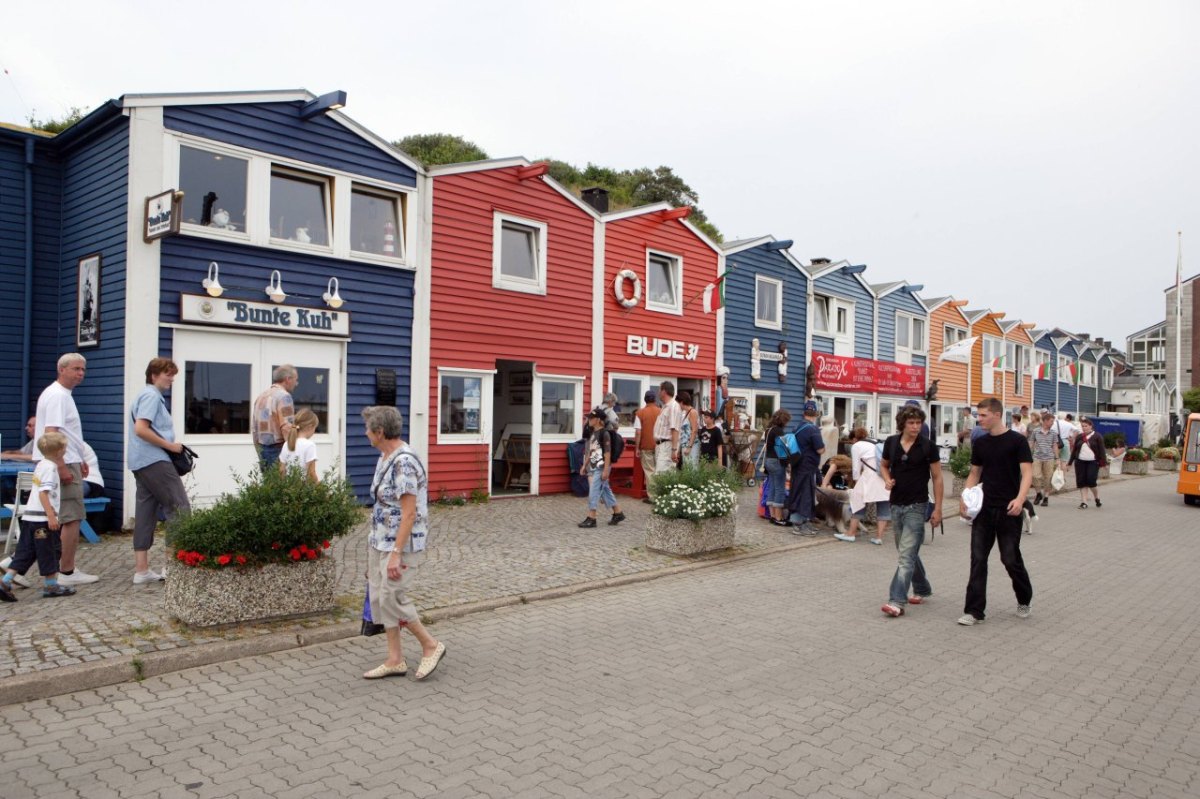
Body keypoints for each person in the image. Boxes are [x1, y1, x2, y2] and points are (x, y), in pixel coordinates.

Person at [361, 406, 446, 682]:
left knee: (392, 596)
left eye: (368, 429)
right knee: (379, 596)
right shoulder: (385, 456)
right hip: (380, 540)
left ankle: (430, 645)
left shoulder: (404, 462)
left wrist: (396, 553)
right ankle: (395, 659)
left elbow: (409, 513)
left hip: (402, 543)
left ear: (380, 432)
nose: (365, 434)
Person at [958, 397, 1034, 626]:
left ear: (997, 414)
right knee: (978, 559)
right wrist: (965, 497)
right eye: (978, 415)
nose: (978, 419)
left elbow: (1027, 473)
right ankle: (974, 611)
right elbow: (974, 473)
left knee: (1010, 559)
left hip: (1009, 510)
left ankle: (1024, 598)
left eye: (983, 415)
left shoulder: (1017, 441)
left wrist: (1020, 500)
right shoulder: (980, 442)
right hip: (983, 510)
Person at [34, 353, 97, 585]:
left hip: (67, 459)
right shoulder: (58, 396)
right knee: (72, 517)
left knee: (51, 516)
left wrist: (79, 458)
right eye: (76, 369)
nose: (80, 373)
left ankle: (15, 565)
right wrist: (62, 465)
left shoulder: (58, 394)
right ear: (61, 369)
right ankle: (67, 571)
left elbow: (67, 433)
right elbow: (51, 433)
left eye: (83, 369)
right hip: (62, 462)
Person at [128, 358, 191, 584]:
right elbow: (141, 429)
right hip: (154, 460)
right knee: (179, 507)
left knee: (146, 512)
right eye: (168, 374)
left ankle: (141, 570)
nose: (172, 378)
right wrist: (171, 446)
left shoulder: (145, 395)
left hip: (139, 461)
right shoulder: (151, 396)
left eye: (173, 374)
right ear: (153, 375)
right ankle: (172, 565)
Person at [879, 405, 943, 618]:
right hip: (896, 503)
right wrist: (887, 480)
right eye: (911, 423)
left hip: (918, 504)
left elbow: (937, 477)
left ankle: (897, 600)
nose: (916, 427)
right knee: (905, 550)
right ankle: (922, 587)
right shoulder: (892, 443)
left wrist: (939, 509)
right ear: (903, 424)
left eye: (919, 423)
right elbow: (884, 465)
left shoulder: (928, 446)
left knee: (906, 555)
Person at [0, 432, 76, 601]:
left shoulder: (41, 464)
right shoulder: (50, 468)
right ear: (58, 452)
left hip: (29, 517)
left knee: (27, 551)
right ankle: (51, 585)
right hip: (42, 519)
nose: (65, 450)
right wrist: (51, 516)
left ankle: (5, 581)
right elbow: (44, 494)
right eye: (64, 447)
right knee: (50, 550)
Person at [837, 427, 890, 545]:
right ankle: (879, 537)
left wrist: (855, 482)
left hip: (870, 476)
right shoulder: (875, 442)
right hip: (885, 476)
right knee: (883, 505)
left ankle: (851, 533)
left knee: (858, 502)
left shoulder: (856, 446)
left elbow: (856, 467)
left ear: (854, 438)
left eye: (851, 441)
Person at [578, 408, 625, 528]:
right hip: (593, 466)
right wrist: (585, 465)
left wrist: (605, 470)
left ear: (598, 420)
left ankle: (592, 518)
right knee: (605, 490)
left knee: (594, 491)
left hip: (602, 467)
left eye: (591, 418)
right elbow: (591, 451)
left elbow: (607, 453)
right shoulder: (593, 433)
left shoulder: (605, 434)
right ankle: (618, 512)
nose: (588, 420)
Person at [786, 401, 826, 535]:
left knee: (797, 492)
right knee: (805, 495)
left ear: (804, 413)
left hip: (797, 464)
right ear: (815, 414)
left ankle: (803, 521)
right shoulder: (813, 429)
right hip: (808, 467)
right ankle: (799, 525)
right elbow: (820, 449)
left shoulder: (797, 427)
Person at [252, 365, 298, 468]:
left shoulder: (261, 397)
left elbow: (255, 429)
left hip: (262, 450)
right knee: (283, 483)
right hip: (278, 450)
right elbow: (287, 427)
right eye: (296, 379)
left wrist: (259, 451)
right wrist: (294, 453)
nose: (296, 383)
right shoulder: (284, 397)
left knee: (269, 483)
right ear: (288, 379)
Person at [1068, 417, 1107, 509]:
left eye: (1086, 426)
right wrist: (1070, 463)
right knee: (1082, 482)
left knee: (1091, 481)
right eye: (1082, 426)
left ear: (1091, 426)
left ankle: (1096, 497)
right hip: (1080, 461)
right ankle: (1084, 502)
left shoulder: (1097, 436)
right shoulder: (1079, 437)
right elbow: (1074, 450)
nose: (1084, 428)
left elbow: (1102, 450)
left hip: (1093, 462)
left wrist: (1104, 463)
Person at [763, 409, 792, 527]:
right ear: (783, 420)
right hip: (777, 462)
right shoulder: (779, 431)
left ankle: (772, 516)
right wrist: (788, 464)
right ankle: (779, 517)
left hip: (769, 461)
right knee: (780, 488)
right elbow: (782, 451)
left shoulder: (768, 430)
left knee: (772, 488)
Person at [652, 381, 683, 481]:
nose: (658, 393)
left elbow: (675, 429)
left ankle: (665, 496)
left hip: (667, 445)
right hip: (661, 446)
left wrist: (674, 450)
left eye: (659, 390)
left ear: (664, 391)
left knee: (662, 477)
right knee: (664, 476)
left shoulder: (673, 406)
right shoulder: (665, 407)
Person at [279, 409, 320, 483]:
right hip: (303, 489)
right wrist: (321, 489)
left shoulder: (286, 444)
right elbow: (311, 473)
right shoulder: (310, 445)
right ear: (310, 427)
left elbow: (282, 470)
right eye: (315, 428)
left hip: (289, 487)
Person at [633, 391, 660, 501]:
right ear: (655, 399)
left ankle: (653, 497)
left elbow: (638, 432)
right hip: (659, 445)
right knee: (659, 470)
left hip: (646, 446)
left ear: (645, 399)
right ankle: (661, 494)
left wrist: (637, 447)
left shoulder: (640, 413)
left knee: (650, 471)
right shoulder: (661, 411)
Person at [1030, 412, 1060, 506]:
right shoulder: (1035, 431)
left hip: (1049, 458)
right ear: (1045, 421)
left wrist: (1057, 458)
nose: (1052, 423)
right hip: (1037, 457)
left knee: (1048, 478)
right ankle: (1038, 493)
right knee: (1035, 476)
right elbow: (1031, 443)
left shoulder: (1053, 433)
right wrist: (1027, 454)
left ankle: (1046, 497)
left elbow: (1055, 446)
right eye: (1051, 421)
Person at [678, 391, 701, 469]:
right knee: (687, 468)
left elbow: (694, 430)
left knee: (692, 468)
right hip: (685, 445)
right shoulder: (685, 413)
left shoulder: (692, 412)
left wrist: (689, 447)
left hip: (692, 445)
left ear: (681, 402)